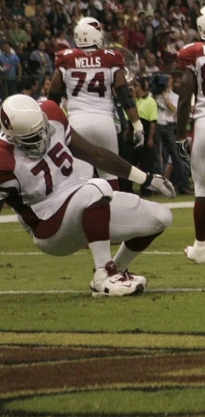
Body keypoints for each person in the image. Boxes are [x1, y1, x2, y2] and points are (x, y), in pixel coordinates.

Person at [0, 94, 174, 296]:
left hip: (79, 201)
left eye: (42, 130)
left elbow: (95, 154)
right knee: (97, 188)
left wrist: (147, 178)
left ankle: (117, 271)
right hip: (49, 226)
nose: (41, 138)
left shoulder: (52, 113)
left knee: (161, 216)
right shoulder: (4, 159)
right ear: (11, 135)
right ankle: (104, 274)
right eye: (31, 138)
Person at [49, 18, 143, 191]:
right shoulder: (111, 58)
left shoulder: (66, 59)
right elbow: (124, 94)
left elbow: (53, 96)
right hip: (104, 122)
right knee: (110, 174)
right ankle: (112, 214)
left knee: (80, 177)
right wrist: (136, 124)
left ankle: (85, 216)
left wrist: (51, 125)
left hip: (76, 123)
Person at [177, 4, 205, 264]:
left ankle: (201, 248)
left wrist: (182, 135)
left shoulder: (192, 53)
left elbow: (185, 96)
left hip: (204, 122)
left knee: (202, 191)